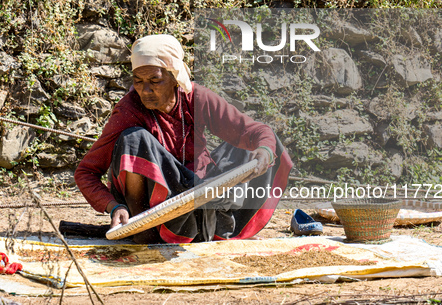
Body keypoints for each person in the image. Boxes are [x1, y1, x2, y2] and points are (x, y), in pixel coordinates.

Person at [74, 34, 293, 243]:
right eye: (138, 81)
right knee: (134, 140)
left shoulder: (195, 97)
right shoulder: (129, 109)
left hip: (200, 192)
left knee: (263, 141)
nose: (145, 90)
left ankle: (220, 229)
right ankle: (144, 232)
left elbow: (252, 130)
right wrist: (114, 206)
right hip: (159, 209)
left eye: (155, 81)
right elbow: (86, 172)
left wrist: (264, 150)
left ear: (175, 77)